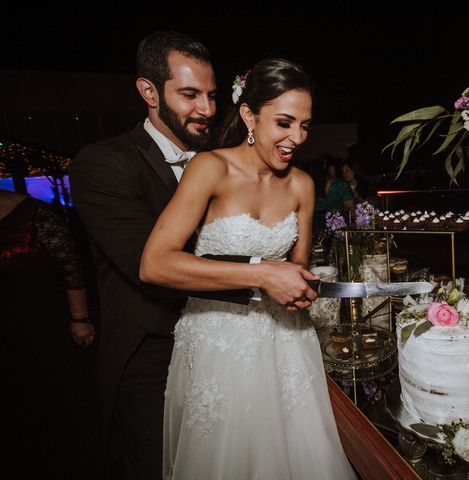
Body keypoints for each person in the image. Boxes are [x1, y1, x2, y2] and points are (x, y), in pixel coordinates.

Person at [139, 58, 357, 479]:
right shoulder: (210, 169)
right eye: (284, 123)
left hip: (285, 348)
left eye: (305, 126)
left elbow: (297, 268)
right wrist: (260, 273)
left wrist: (303, 287)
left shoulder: (302, 186)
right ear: (248, 115)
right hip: (218, 345)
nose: (297, 137)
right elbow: (155, 264)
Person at [70, 31, 252, 479]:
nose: (207, 110)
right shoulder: (103, 162)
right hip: (151, 354)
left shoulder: (225, 161)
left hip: (228, 344)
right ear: (148, 91)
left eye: (210, 95)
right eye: (189, 95)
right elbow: (146, 263)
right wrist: (265, 274)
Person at [0, 188, 97, 478]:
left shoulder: (34, 214)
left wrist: (79, 318)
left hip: (39, 327)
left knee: (48, 406)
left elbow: (71, 268)